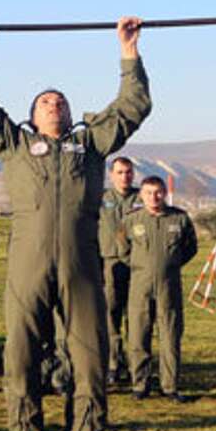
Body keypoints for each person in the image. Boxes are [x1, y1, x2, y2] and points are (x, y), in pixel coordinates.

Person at [0, 16, 150, 431]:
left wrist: (128, 52)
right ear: (32, 114)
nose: (55, 105)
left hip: (83, 267)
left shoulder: (88, 145)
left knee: (90, 360)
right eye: (46, 102)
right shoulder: (16, 144)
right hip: (28, 267)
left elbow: (133, 107)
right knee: (21, 358)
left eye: (61, 101)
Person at [124, 175, 199, 401]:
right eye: (148, 193)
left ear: (164, 193)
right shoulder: (132, 220)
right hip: (140, 286)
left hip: (169, 287)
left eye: (157, 192)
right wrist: (141, 266)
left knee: (170, 336)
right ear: (141, 195)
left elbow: (190, 248)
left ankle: (170, 386)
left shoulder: (179, 218)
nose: (153, 197)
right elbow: (122, 247)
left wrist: (171, 264)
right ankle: (140, 384)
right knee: (138, 335)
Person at [99, 156, 138, 385]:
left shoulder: (141, 198)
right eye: (120, 172)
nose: (125, 176)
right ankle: (113, 363)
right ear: (111, 175)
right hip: (110, 263)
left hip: (136, 264)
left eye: (129, 172)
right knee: (111, 315)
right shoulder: (101, 199)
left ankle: (136, 365)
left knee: (135, 316)